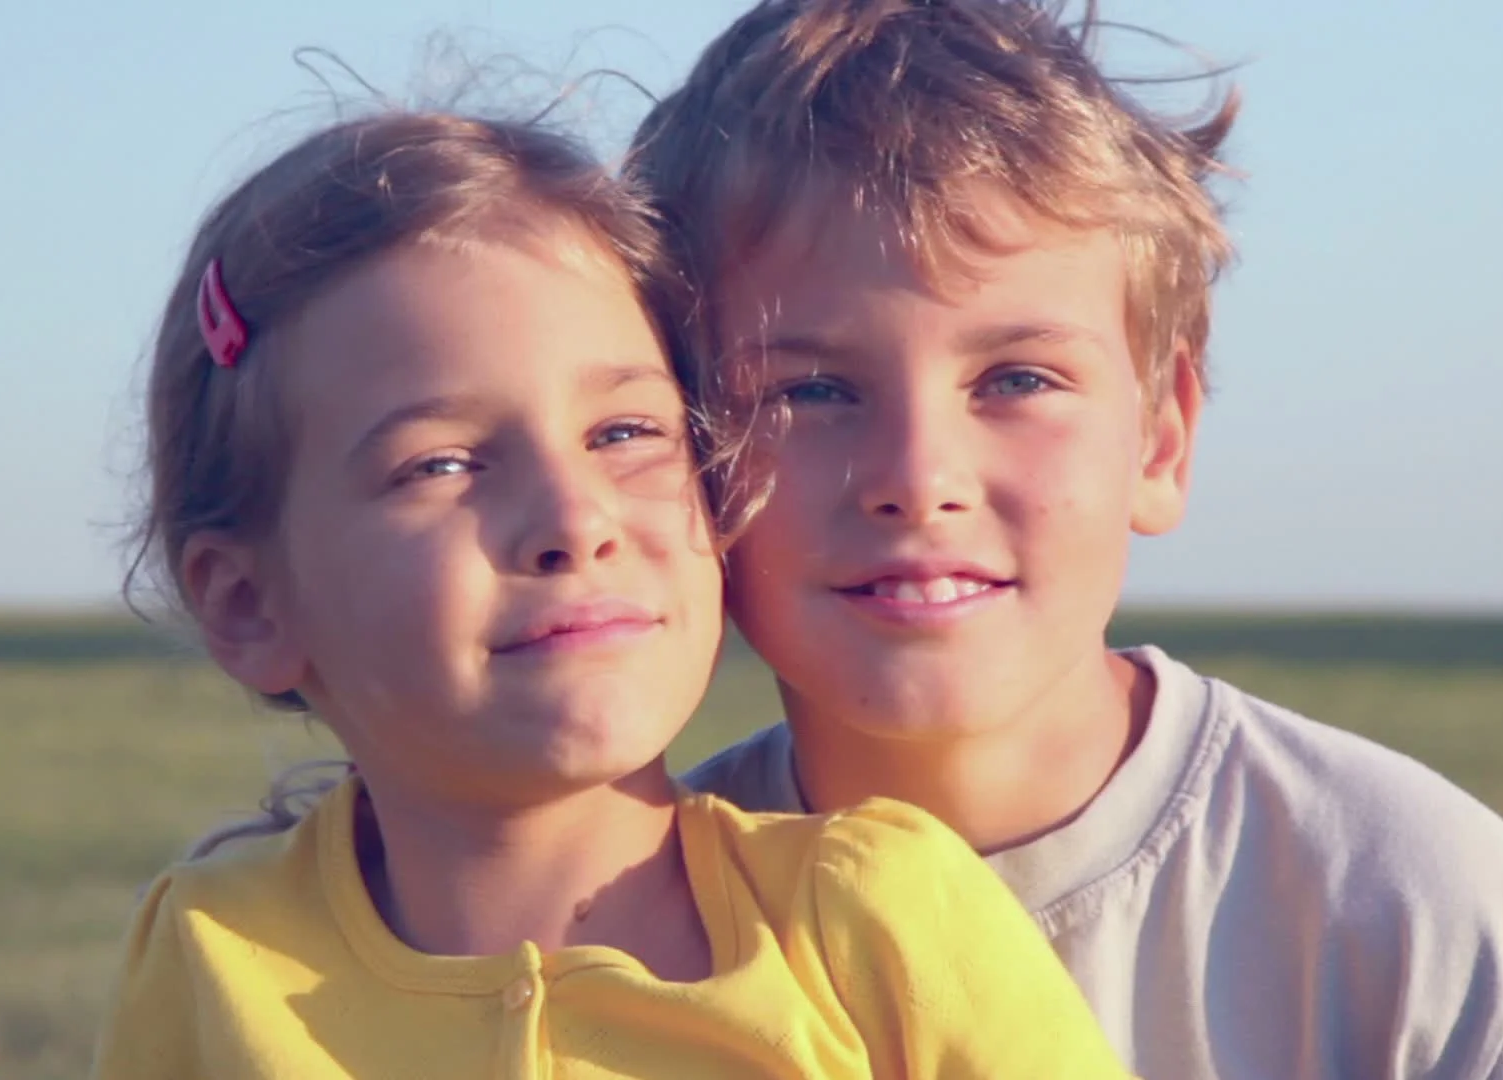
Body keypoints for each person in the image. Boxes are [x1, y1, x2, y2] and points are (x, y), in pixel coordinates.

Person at [630, 2, 1503, 1076]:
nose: (919, 478)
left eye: (1017, 379)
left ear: (1161, 438)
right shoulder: (618, 929)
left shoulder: (1408, 915)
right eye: (811, 390)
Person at [90, 106, 1130, 1079]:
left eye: (625, 435)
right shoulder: (211, 950)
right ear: (245, 604)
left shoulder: (879, 919)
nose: (574, 521)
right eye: (441, 464)